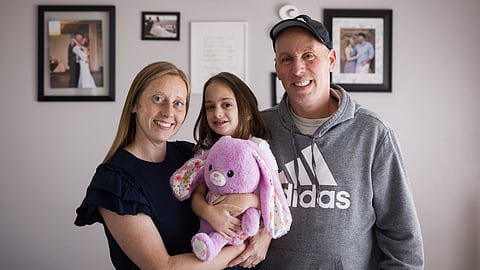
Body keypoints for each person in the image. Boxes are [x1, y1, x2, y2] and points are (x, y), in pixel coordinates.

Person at [256, 14, 425, 269]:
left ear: (331, 60)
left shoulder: (373, 133)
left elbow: (403, 239)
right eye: (287, 59)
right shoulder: (258, 129)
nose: (298, 69)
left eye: (309, 56)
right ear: (278, 68)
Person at [74, 61, 245, 270]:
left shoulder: (189, 157)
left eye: (178, 103)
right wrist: (240, 249)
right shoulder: (115, 181)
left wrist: (261, 236)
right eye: (158, 99)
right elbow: (163, 268)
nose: (168, 112)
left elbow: (240, 195)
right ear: (134, 104)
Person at [191, 72, 279, 269]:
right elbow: (196, 196)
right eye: (210, 107)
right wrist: (210, 213)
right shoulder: (207, 150)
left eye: (226, 104)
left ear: (246, 110)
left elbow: (276, 192)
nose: (217, 113)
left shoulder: (257, 147)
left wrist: (251, 200)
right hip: (212, 235)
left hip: (244, 243)